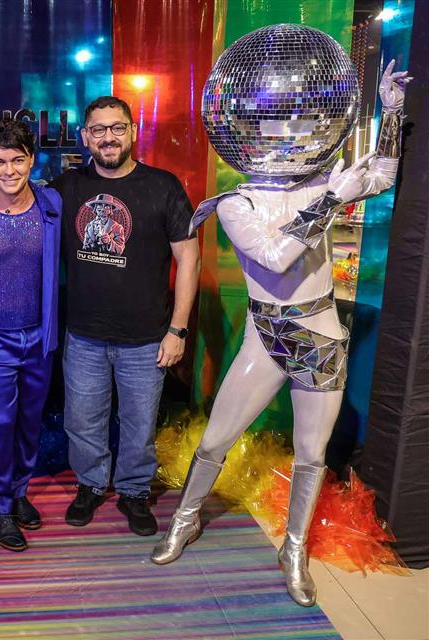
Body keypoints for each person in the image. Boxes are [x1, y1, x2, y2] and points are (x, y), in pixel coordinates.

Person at [151, 29, 409, 608]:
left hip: (319, 334)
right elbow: (274, 257)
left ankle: (293, 549)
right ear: (251, 133)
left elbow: (383, 175)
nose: (287, 137)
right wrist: (331, 198)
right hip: (266, 336)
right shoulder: (236, 203)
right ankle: (184, 522)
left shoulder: (321, 182)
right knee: (217, 438)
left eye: (298, 126)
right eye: (274, 127)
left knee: (312, 453)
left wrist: (391, 114)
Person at [50, 96, 201, 536]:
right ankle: (91, 484)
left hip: (146, 338)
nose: (108, 137)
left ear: (133, 132)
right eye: (98, 129)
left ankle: (134, 491)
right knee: (82, 421)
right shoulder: (66, 188)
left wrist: (178, 329)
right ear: (85, 137)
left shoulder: (163, 186)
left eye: (117, 128)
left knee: (139, 424)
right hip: (84, 335)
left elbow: (189, 260)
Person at [0, 119, 62, 551]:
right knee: (1, 422)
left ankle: (20, 492)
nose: (9, 170)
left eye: (17, 160)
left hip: (40, 336)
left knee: (30, 420)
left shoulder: (51, 203)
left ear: (31, 160)